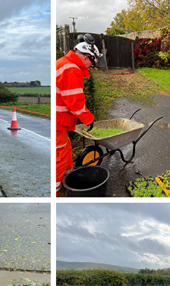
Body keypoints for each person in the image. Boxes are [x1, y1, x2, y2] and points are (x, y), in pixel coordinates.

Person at [56, 40, 101, 196]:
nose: (90, 66)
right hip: (58, 123)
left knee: (66, 150)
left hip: (60, 124)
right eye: (92, 62)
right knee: (59, 158)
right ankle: (55, 193)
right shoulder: (71, 69)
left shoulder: (63, 63)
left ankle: (68, 179)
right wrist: (89, 119)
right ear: (86, 57)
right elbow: (75, 103)